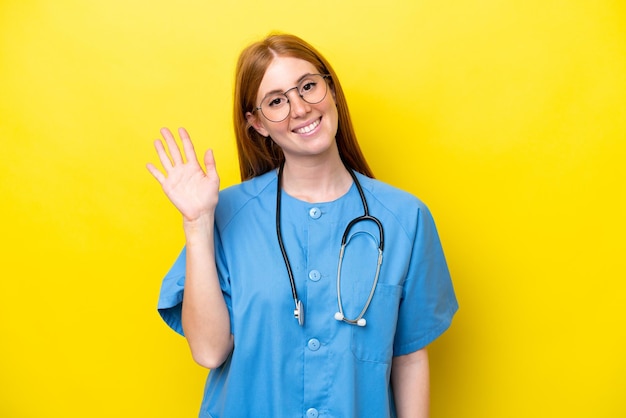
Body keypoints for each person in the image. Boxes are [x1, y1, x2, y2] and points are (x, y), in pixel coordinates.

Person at [147, 33, 458, 418]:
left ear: (330, 90)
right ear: (257, 123)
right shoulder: (226, 214)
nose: (300, 108)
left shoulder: (404, 218)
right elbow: (209, 351)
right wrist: (197, 224)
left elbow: (409, 358)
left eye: (308, 86)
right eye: (276, 101)